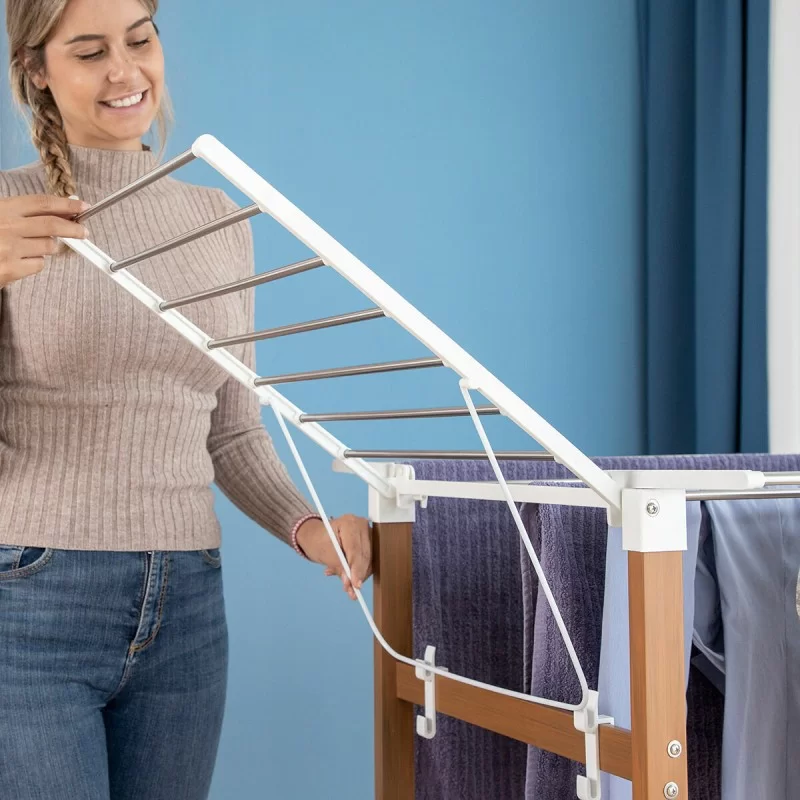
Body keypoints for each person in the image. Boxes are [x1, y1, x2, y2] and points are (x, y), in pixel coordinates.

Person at [0, 1, 372, 797]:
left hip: (190, 607)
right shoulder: (8, 214)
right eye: (90, 52)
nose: (126, 72)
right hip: (30, 598)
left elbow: (233, 431)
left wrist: (310, 528)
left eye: (140, 41)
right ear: (37, 70)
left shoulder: (219, 219)